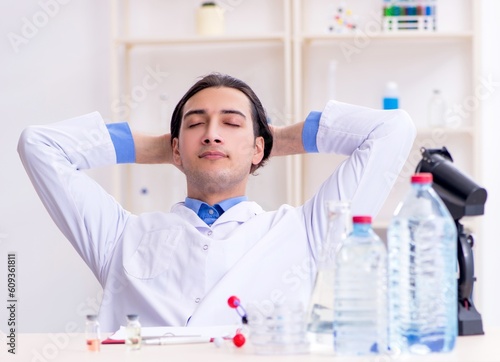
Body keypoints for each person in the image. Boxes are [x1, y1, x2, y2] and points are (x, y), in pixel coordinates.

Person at [18, 73, 416, 332]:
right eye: (195, 124)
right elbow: (39, 145)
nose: (211, 134)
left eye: (231, 123)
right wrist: (164, 147)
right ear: (175, 149)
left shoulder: (306, 231)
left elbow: (393, 130)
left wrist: (276, 141)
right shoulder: (119, 235)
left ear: (259, 148)